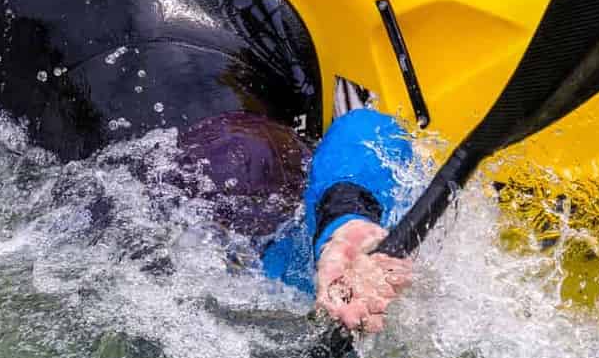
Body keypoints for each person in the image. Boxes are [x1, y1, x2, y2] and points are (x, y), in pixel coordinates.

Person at [171, 106, 419, 336]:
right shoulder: (281, 267)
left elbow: (368, 129)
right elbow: (366, 127)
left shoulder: (286, 262)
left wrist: (344, 219)